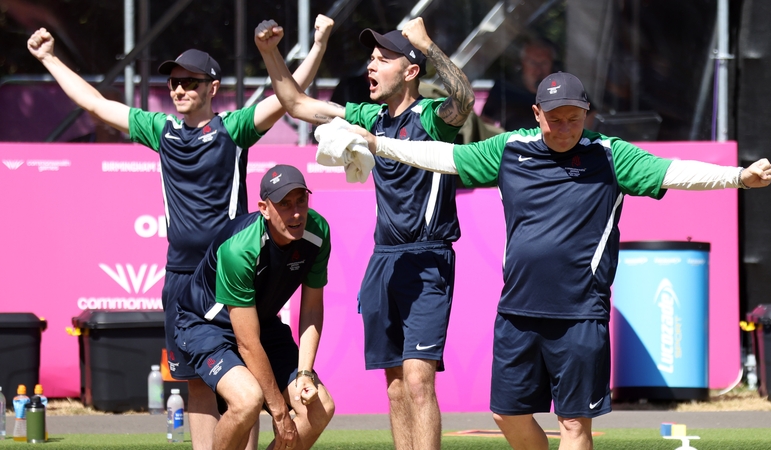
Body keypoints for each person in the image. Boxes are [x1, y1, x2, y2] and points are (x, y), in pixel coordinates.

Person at [348, 71, 771, 450]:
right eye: (555, 118)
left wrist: (738, 178)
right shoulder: (510, 149)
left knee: (573, 423)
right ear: (536, 113)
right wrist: (379, 144)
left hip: (580, 315)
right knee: (506, 416)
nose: (565, 127)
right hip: (516, 312)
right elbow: (444, 157)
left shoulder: (611, 155)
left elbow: (671, 172)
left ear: (587, 114)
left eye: (574, 117)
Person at [27, 16, 333, 450]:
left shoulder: (233, 129)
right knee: (196, 384)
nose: (179, 90)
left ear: (212, 87)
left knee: (245, 381)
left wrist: (318, 43)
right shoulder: (162, 131)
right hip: (181, 279)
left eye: (190, 82)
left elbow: (288, 97)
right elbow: (95, 104)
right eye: (173, 83)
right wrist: (50, 58)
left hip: (233, 273)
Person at [254, 17, 475, 450]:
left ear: (410, 71)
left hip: (427, 259)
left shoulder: (432, 117)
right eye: (370, 59)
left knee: (417, 381)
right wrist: (269, 52)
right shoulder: (367, 116)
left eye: (383, 59)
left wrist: (426, 43)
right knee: (394, 387)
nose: (371, 67)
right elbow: (295, 103)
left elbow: (463, 99)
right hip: (383, 262)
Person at [175, 165, 335, 450]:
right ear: (264, 207)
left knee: (320, 407)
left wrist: (305, 373)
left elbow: (311, 309)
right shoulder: (240, 249)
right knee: (247, 400)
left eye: (301, 200)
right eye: (284, 204)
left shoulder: (318, 232)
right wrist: (279, 410)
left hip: (260, 321)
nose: (296, 212)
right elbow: (247, 343)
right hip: (206, 325)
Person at [481, 39, 555, 132]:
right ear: (523, 63)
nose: (538, 70)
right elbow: (485, 122)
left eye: (544, 63)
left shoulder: (561, 89)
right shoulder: (505, 88)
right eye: (532, 63)